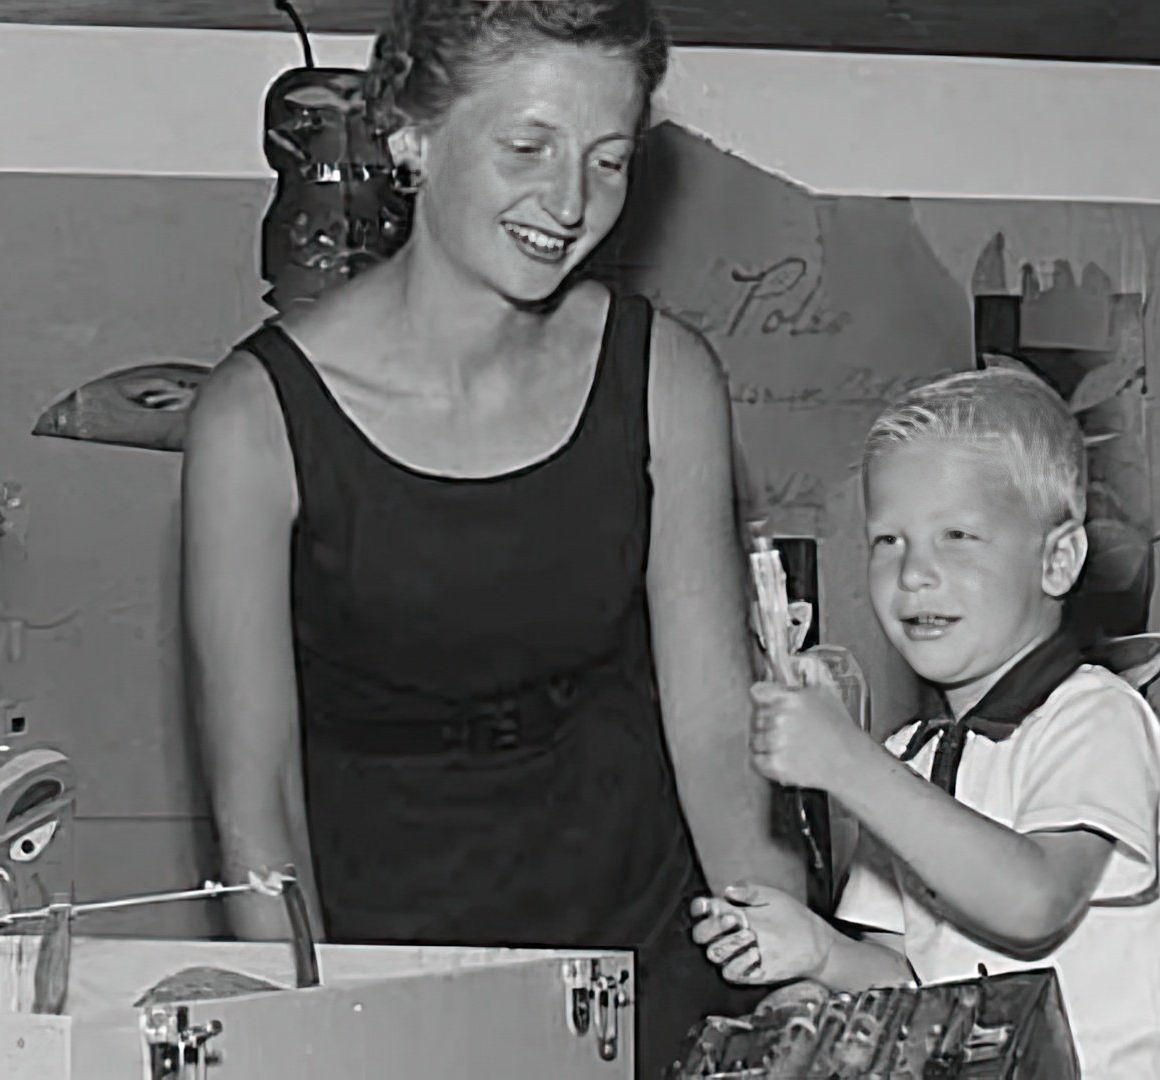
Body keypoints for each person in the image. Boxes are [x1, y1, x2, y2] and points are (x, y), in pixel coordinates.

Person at [180, 0, 804, 1073]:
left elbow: (714, 734)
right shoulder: (255, 421)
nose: (568, 202)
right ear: (411, 132)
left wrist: (793, 974)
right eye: (528, 146)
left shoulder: (664, 378)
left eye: (609, 162)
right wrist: (309, 1041)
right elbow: (259, 812)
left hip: (648, 961)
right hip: (391, 985)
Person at [687, 368, 1160, 1078]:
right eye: (886, 541)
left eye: (956, 535)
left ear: (1057, 560)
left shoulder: (1096, 720)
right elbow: (918, 991)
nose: (914, 573)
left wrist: (848, 764)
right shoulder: (907, 761)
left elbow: (1031, 899)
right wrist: (823, 954)